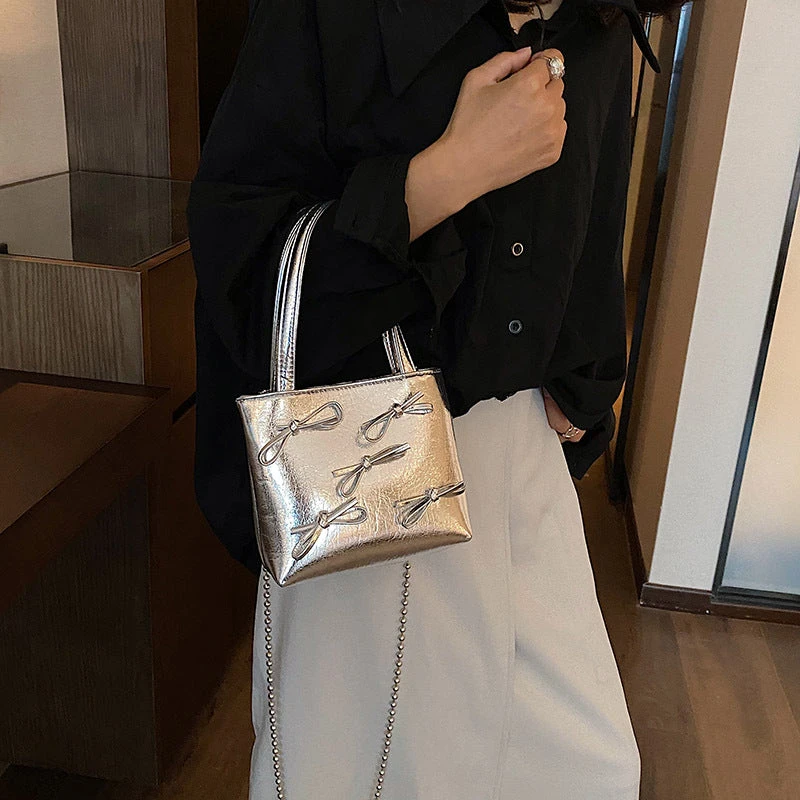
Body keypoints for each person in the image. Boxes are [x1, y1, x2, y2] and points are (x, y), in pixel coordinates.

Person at [187, 0, 686, 797]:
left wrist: (584, 384)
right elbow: (240, 265)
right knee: (372, 770)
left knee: (586, 766)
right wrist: (447, 174)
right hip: (368, 452)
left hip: (525, 450)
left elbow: (594, 212)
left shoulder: (597, 18)